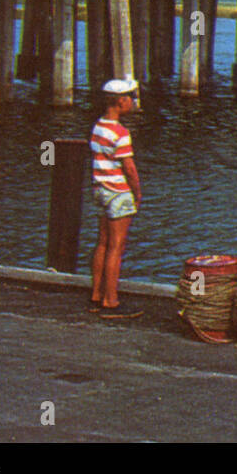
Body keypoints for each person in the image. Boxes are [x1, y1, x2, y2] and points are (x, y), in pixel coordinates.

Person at [89, 78, 143, 317]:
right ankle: (111, 300)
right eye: (131, 97)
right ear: (121, 101)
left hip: (100, 189)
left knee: (102, 243)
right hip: (118, 192)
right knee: (116, 248)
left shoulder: (98, 126)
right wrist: (137, 193)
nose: (133, 102)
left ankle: (96, 293)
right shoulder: (120, 133)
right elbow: (129, 168)